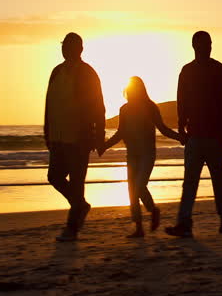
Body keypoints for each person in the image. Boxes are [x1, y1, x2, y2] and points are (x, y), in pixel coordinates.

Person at [165, 31, 222, 237]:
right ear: (195, 46)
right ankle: (184, 223)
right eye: (204, 44)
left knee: (218, 179)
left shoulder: (219, 69)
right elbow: (181, 101)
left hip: (213, 136)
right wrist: (181, 127)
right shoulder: (187, 71)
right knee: (190, 181)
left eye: (210, 44)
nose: (208, 47)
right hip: (195, 135)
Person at [44, 32, 105, 242]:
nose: (64, 49)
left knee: (77, 182)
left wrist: (99, 135)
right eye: (63, 45)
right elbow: (49, 103)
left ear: (79, 49)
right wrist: (47, 131)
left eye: (69, 45)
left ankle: (72, 228)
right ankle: (80, 205)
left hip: (79, 137)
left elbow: (99, 106)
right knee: (54, 177)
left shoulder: (87, 73)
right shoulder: (56, 72)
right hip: (58, 136)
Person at [103, 76, 183, 237]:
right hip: (132, 154)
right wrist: (104, 145)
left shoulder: (150, 107)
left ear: (140, 89)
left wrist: (180, 137)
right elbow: (120, 132)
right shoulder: (124, 109)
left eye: (135, 89)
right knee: (132, 191)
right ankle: (139, 227)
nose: (132, 92)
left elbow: (162, 128)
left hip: (147, 153)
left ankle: (153, 210)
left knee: (139, 186)